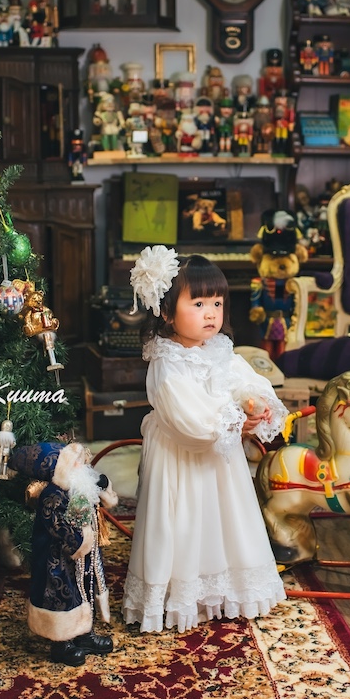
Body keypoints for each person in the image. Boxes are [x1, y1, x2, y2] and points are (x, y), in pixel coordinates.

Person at [122, 247, 288, 633]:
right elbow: (191, 420)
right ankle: (181, 594)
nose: (211, 313)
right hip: (181, 456)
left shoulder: (219, 350)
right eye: (198, 304)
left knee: (224, 519)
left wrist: (254, 403)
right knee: (184, 522)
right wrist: (235, 422)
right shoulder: (167, 362)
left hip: (220, 458)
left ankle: (228, 586)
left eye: (217, 303)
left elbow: (241, 381)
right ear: (167, 312)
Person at [11, 441, 118, 666]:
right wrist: (81, 541)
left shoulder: (79, 486)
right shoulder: (53, 495)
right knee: (63, 595)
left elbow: (97, 500)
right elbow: (58, 526)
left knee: (85, 589)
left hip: (83, 556)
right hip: (57, 557)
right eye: (75, 462)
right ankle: (61, 643)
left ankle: (84, 634)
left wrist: (103, 486)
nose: (82, 464)